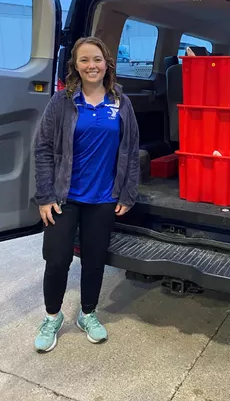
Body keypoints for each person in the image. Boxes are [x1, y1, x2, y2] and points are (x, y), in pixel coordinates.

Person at [34, 36, 140, 353]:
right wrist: (44, 195)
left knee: (94, 261)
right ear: (75, 66)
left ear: (106, 63)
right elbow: (42, 149)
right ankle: (52, 317)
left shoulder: (121, 102)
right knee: (56, 260)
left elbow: (131, 150)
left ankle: (88, 313)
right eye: (84, 60)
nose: (91, 66)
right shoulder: (62, 102)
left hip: (104, 198)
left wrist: (127, 192)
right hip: (64, 197)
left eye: (96, 59)